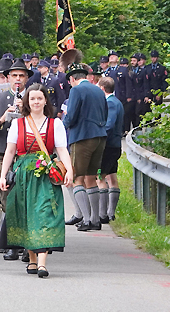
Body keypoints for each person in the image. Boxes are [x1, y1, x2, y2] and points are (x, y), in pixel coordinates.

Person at [0, 83, 73, 278]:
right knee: (26, 216)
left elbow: (62, 149)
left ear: (45, 100)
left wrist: (70, 171)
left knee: (44, 214)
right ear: (27, 101)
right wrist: (3, 175)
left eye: (40, 98)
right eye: (33, 98)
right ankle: (32, 260)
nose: (36, 102)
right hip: (23, 175)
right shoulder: (18, 124)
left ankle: (42, 263)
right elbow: (10, 151)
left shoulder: (55, 124)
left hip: (45, 175)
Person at [0, 59, 33, 260]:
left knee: (26, 198)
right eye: (14, 76)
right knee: (6, 199)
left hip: (28, 156)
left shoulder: (35, 97)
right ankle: (9, 241)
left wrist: (26, 111)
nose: (18, 79)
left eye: (22, 76)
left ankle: (25, 242)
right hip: (3, 155)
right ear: (8, 78)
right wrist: (3, 118)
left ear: (27, 78)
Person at [61, 63, 108, 232]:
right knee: (90, 178)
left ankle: (87, 219)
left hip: (82, 137)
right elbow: (105, 113)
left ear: (72, 78)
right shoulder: (97, 89)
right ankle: (95, 219)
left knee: (76, 178)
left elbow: (71, 115)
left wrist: (61, 127)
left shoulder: (76, 91)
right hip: (99, 137)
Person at [95, 77, 124, 223]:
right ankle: (110, 212)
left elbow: (109, 124)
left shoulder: (110, 103)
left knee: (101, 177)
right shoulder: (117, 101)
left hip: (109, 146)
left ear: (102, 88)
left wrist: (98, 135)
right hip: (115, 145)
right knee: (112, 177)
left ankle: (103, 214)